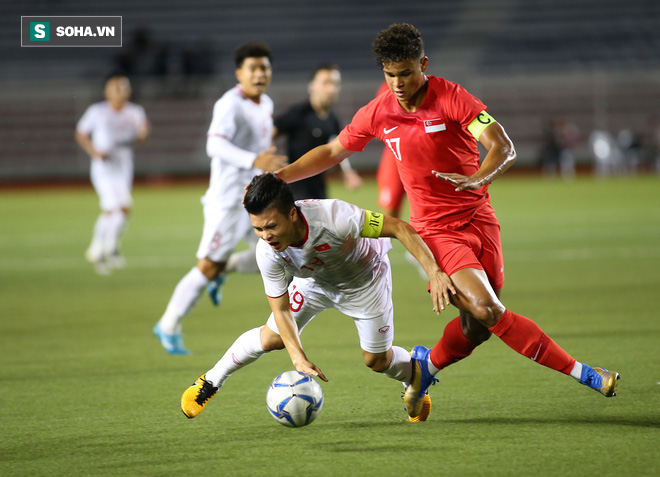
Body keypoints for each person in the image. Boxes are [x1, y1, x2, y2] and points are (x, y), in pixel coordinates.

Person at [274, 23, 620, 419]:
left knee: (477, 327)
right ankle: (586, 373)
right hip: (435, 232)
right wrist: (282, 176)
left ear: (423, 64)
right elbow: (333, 150)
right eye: (390, 75)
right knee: (489, 310)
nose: (399, 83)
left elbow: (501, 147)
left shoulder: (452, 98)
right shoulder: (379, 111)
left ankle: (424, 370)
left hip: (480, 221)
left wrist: (477, 179)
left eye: (406, 73)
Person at [180, 173, 456, 422]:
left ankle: (414, 372)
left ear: (292, 214)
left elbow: (399, 227)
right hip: (314, 282)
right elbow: (281, 309)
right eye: (258, 229)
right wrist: (298, 358)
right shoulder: (268, 252)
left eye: (271, 226)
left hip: (365, 283)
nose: (266, 236)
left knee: (376, 361)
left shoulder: (335, 217)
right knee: (272, 337)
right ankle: (211, 381)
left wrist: (434, 272)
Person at [153, 41, 287, 355]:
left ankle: (224, 270)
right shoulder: (229, 104)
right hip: (227, 203)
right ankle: (169, 323)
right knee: (207, 265)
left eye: (264, 68)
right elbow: (214, 145)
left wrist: (262, 162)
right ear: (239, 72)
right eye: (253, 68)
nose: (259, 74)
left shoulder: (264, 103)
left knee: (277, 255)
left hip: (252, 200)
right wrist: (254, 159)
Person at [75, 75, 150, 275]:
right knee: (116, 207)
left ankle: (104, 247)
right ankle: (101, 249)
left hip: (123, 166)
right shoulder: (97, 111)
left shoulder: (135, 111)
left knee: (120, 209)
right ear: (107, 91)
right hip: (104, 167)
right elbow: (81, 133)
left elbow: (143, 133)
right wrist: (94, 151)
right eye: (117, 88)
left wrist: (142, 135)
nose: (121, 91)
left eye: (124, 88)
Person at [273, 63, 362, 200]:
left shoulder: (333, 120)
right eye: (326, 83)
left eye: (335, 84)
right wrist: (267, 155)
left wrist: (347, 173)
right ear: (312, 86)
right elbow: (269, 133)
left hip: (319, 189)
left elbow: (338, 147)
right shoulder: (299, 113)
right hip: (295, 190)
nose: (331, 89)